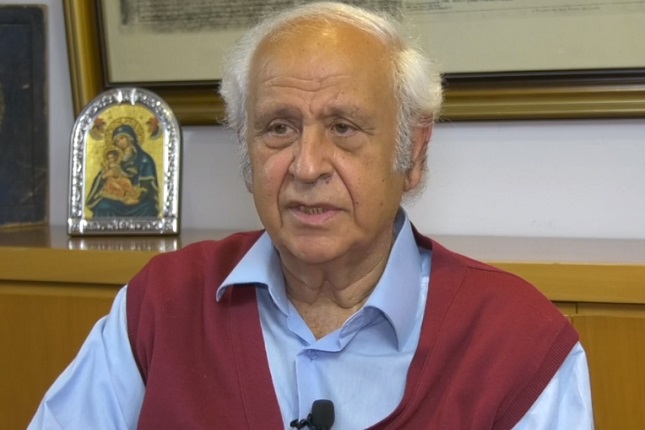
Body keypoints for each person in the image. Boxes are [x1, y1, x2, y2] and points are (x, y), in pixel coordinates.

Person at [29, 2, 593, 429]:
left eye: (343, 128)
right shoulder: (159, 306)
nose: (306, 165)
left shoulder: (519, 343)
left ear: (413, 154)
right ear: (247, 152)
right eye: (278, 128)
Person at [86, 124, 159, 218]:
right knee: (102, 206)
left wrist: (137, 197)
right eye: (117, 141)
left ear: (130, 138)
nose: (120, 142)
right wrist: (106, 176)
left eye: (122, 138)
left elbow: (148, 185)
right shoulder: (114, 158)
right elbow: (102, 177)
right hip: (116, 199)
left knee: (149, 208)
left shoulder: (144, 159)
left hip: (138, 199)